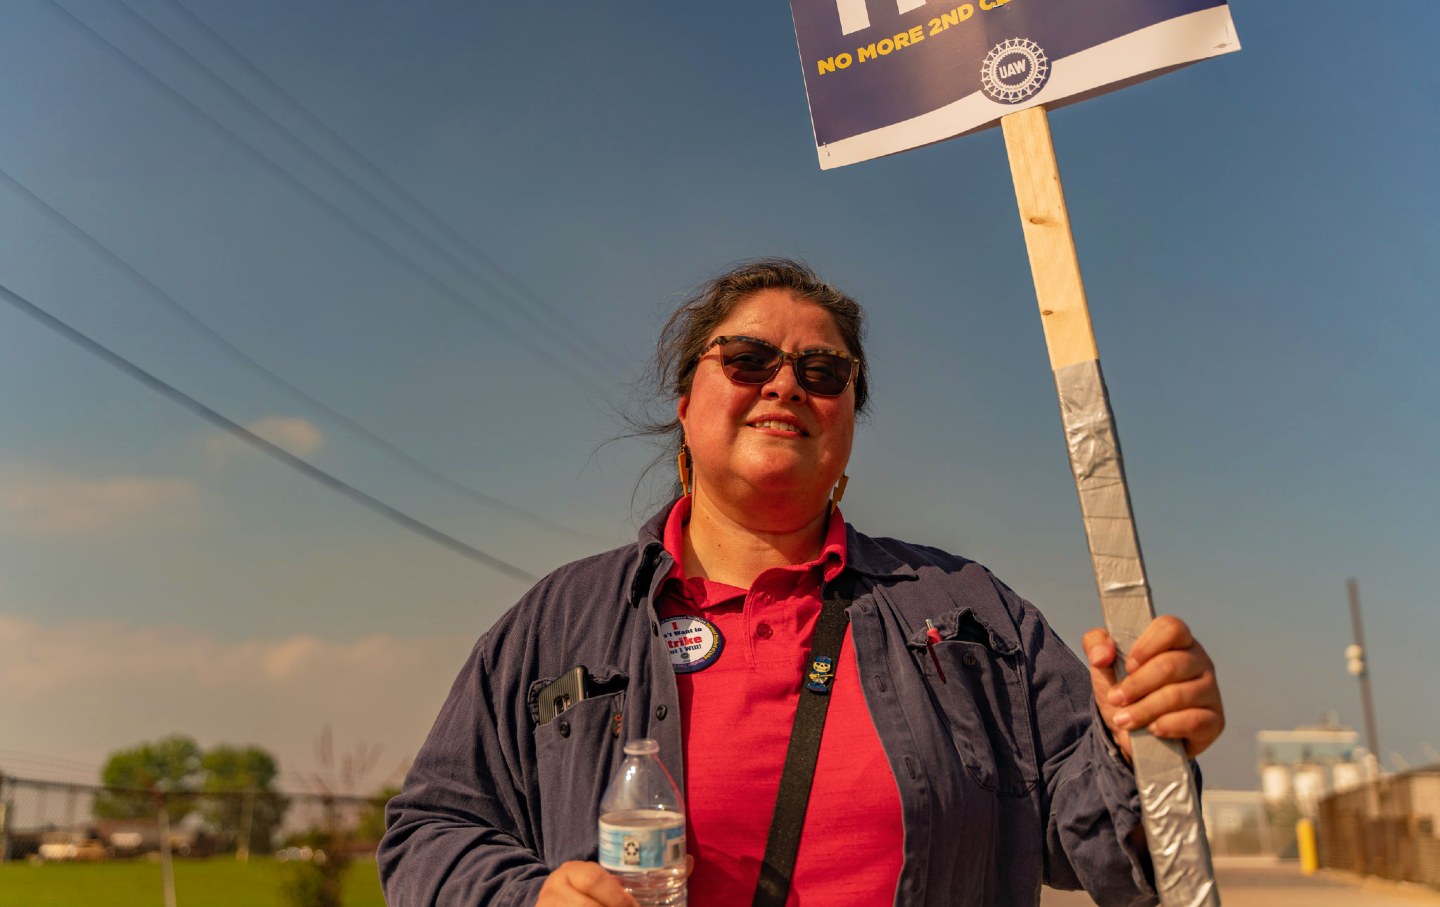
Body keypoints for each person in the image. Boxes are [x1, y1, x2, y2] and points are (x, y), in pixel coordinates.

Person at [378, 259, 1224, 906]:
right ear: (685, 400)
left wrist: (1140, 741)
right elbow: (427, 831)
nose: (785, 383)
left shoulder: (968, 609)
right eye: (747, 358)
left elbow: (1107, 854)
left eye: (824, 373)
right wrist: (528, 898)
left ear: (850, 414)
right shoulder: (560, 621)